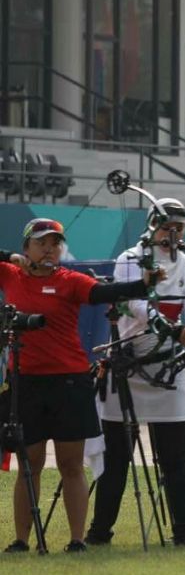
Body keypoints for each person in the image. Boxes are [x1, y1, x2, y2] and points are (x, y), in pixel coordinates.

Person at [0, 219, 156, 553]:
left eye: (55, 243)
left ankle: (76, 539)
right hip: (25, 381)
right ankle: (21, 540)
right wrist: (10, 257)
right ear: (27, 247)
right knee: (30, 463)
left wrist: (144, 284)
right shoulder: (10, 274)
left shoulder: (70, 281)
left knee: (71, 464)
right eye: (41, 243)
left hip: (68, 381)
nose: (49, 249)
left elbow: (105, 292)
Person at [88, 198, 185, 546]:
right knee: (117, 456)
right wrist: (175, 331)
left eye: (179, 227)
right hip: (127, 366)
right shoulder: (129, 259)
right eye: (166, 225)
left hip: (170, 369)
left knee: (176, 456)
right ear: (153, 225)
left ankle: (184, 534)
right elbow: (134, 306)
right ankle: (99, 532)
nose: (172, 232)